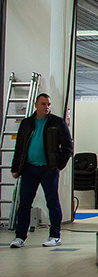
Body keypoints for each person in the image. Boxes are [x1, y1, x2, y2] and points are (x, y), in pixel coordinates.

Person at [9, 93, 73, 248]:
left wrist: (59, 164)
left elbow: (68, 147)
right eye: (43, 104)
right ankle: (20, 237)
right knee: (24, 203)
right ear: (36, 105)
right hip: (29, 169)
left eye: (48, 104)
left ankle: (55, 236)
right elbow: (20, 148)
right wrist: (15, 168)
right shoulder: (26, 124)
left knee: (52, 202)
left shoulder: (57, 123)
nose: (46, 107)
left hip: (48, 169)